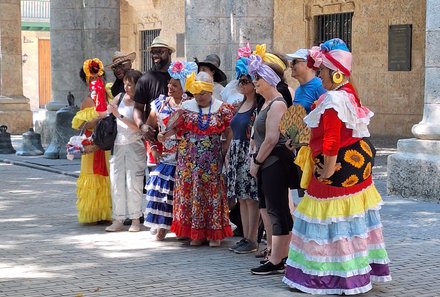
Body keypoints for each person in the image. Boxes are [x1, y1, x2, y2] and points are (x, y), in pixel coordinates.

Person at [282, 38, 391, 294]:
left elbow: (332, 140)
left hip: (337, 169)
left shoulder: (333, 99)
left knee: (327, 220)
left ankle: (327, 276)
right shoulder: (349, 93)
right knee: (349, 221)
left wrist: (328, 169)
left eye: (321, 71)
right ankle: (353, 272)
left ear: (336, 73)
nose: (319, 76)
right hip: (356, 166)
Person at [160, 72, 234, 247]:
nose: (199, 97)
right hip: (188, 162)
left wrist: (226, 149)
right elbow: (172, 128)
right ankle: (195, 233)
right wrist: (164, 135)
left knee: (211, 194)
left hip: (212, 162)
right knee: (191, 193)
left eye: (203, 93)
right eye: (196, 93)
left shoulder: (222, 108)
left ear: (211, 91)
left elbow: (229, 131)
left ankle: (214, 234)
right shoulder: (185, 108)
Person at [247, 54, 293, 275]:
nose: (254, 82)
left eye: (258, 78)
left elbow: (272, 138)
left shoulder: (277, 104)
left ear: (269, 80)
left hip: (274, 161)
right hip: (267, 162)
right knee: (269, 207)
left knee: (278, 210)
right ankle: (277, 254)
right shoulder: (266, 102)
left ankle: (278, 259)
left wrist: (256, 162)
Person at [144, 60, 198, 240]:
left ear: (183, 87)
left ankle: (182, 227)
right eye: (169, 84)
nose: (170, 87)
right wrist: (153, 147)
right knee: (160, 185)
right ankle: (162, 225)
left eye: (175, 85)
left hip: (186, 157)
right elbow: (148, 129)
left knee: (182, 191)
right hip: (166, 157)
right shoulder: (159, 104)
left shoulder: (191, 105)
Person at [226, 54, 260, 254]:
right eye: (241, 80)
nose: (242, 84)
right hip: (236, 152)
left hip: (248, 152)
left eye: (246, 81)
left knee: (251, 197)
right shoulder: (240, 104)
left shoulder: (256, 107)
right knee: (242, 197)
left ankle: (252, 238)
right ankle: (246, 236)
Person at [104, 69, 145, 232]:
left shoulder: (141, 102)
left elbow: (137, 127)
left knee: (133, 183)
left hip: (135, 145)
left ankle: (135, 218)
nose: (127, 87)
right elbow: (107, 114)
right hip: (118, 145)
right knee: (116, 182)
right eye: (125, 84)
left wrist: (118, 115)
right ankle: (118, 218)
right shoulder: (119, 97)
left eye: (131, 84)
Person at [71, 58, 111, 224]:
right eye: (92, 79)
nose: (95, 81)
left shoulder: (109, 96)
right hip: (92, 144)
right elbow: (83, 124)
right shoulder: (88, 101)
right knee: (93, 175)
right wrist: (98, 119)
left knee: (107, 174)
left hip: (107, 142)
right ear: (87, 81)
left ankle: (106, 212)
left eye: (98, 78)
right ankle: (93, 213)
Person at [286, 48, 327, 208]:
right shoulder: (298, 90)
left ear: (308, 65)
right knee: (302, 196)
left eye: (295, 62)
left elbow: (324, 119)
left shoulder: (318, 87)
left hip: (314, 152)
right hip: (301, 151)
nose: (291, 65)